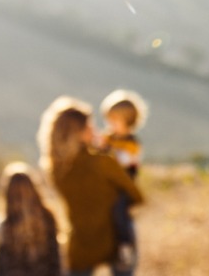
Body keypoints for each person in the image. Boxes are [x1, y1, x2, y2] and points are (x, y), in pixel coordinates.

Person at [39, 96, 145, 276]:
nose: (97, 130)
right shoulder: (102, 163)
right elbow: (136, 196)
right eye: (90, 126)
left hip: (80, 244)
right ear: (80, 132)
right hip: (115, 241)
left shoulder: (55, 170)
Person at [97, 89, 149, 271]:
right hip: (107, 186)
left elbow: (123, 161)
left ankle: (125, 244)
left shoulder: (132, 143)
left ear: (127, 121)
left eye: (114, 120)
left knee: (119, 211)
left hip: (124, 188)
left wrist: (107, 150)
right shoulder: (108, 138)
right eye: (108, 120)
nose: (109, 124)